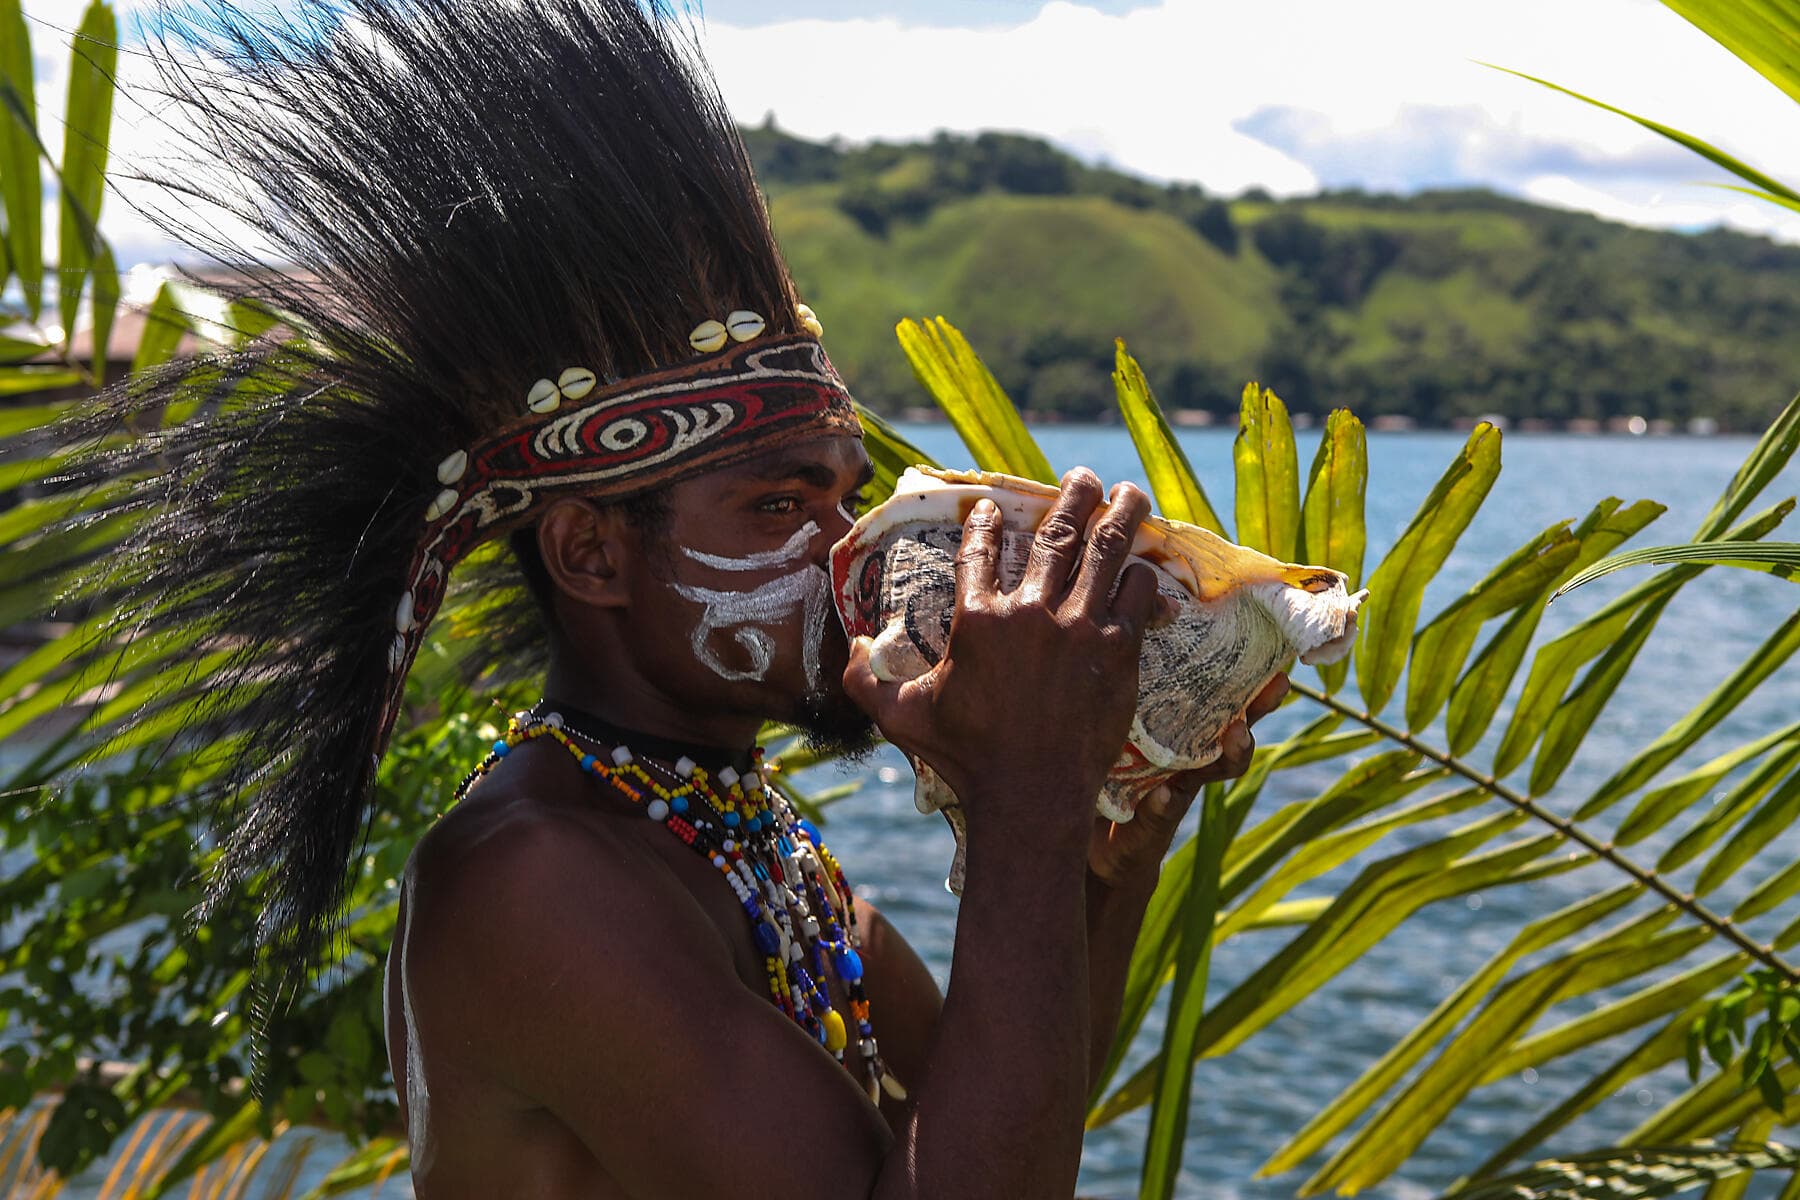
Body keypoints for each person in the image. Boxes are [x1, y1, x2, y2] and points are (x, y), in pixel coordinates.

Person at [80, 0, 1284, 1194]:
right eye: (777, 507)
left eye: (842, 498)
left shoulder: (731, 833)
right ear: (593, 555)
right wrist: (1021, 805)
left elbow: (1011, 1108)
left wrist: (1102, 834)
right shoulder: (535, 879)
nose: (844, 549)